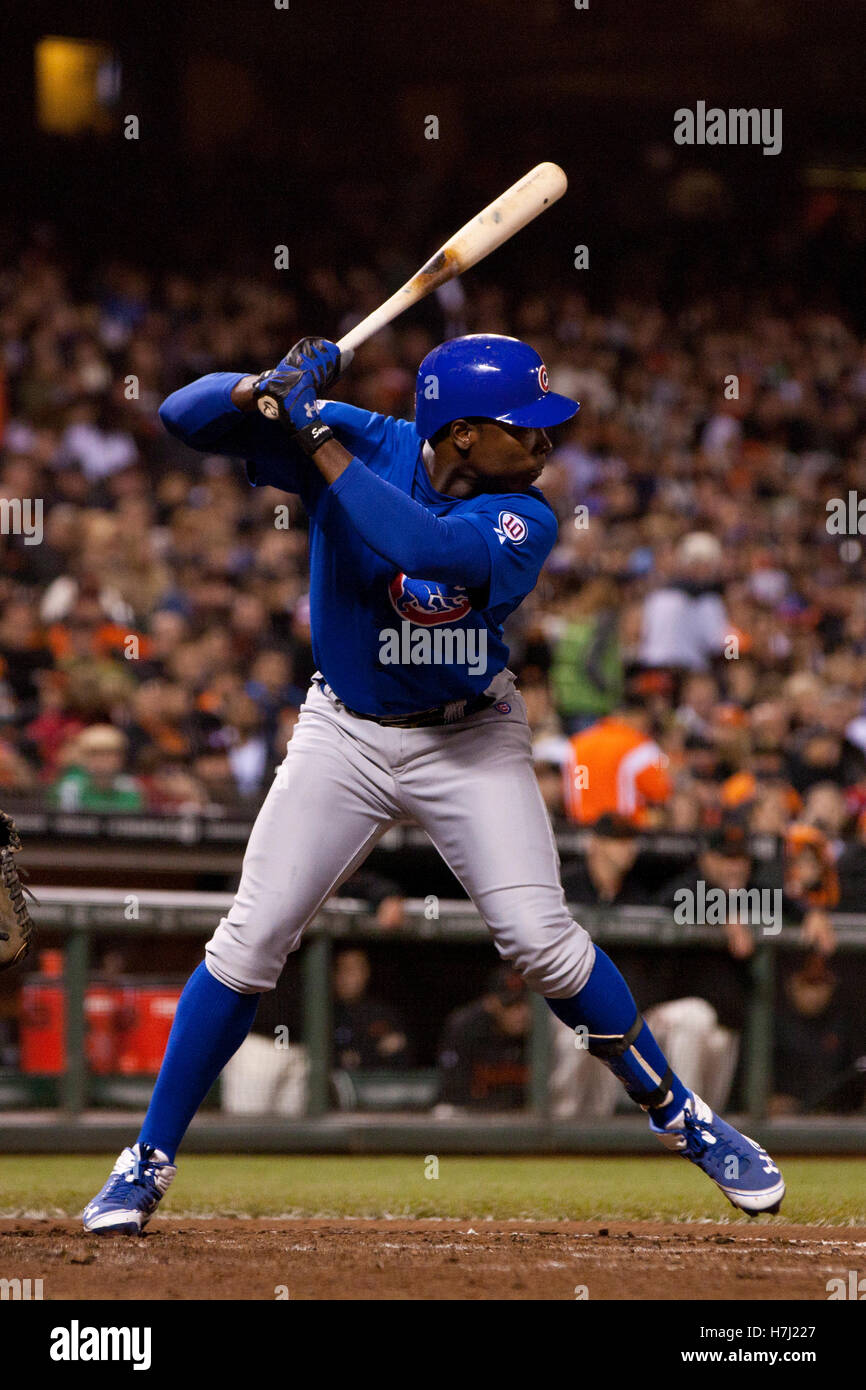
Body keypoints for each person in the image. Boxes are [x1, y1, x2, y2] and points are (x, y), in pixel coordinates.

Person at [82, 333, 784, 1234]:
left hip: (471, 738)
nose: (544, 444)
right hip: (346, 730)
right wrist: (262, 387)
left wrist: (313, 437)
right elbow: (182, 417)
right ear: (456, 436)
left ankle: (682, 1117)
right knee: (251, 939)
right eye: (522, 428)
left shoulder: (526, 516)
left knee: (544, 943)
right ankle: (144, 1161)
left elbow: (425, 547)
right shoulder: (357, 434)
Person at [436, 967, 530, 1113]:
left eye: (524, 1003)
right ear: (490, 1003)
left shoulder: (545, 1031)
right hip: (474, 1118)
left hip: (525, 1121)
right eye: (510, 1004)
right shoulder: (466, 1027)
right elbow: (451, 1095)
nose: (520, 1012)